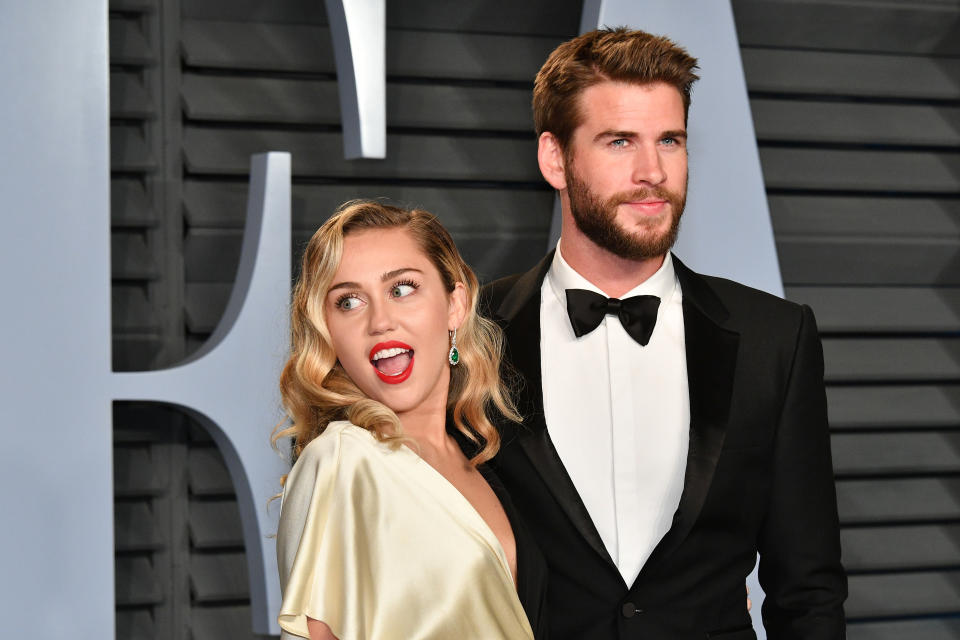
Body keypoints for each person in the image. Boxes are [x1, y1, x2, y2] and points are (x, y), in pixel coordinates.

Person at [483, 28, 847, 639]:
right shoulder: (474, 333)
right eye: (619, 141)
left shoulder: (773, 339)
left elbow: (807, 590)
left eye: (670, 141)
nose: (652, 172)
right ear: (555, 159)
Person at [273, 201, 547, 640]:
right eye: (349, 301)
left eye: (401, 289)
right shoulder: (342, 462)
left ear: (455, 304)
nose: (380, 321)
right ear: (329, 333)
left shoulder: (484, 458)